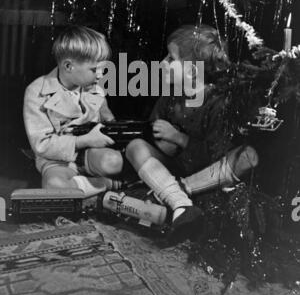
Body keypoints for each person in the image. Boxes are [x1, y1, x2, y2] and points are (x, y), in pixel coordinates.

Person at [126, 24, 243, 242]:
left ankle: (178, 201)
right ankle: (180, 203)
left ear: (191, 70)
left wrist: (179, 138)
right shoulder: (171, 95)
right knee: (135, 147)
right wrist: (161, 140)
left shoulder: (218, 103)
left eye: (171, 58)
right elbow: (153, 127)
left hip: (203, 177)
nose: (163, 63)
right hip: (174, 168)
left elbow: (218, 158)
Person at [23, 25, 123, 197]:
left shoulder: (95, 89)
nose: (100, 75)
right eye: (94, 70)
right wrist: (83, 140)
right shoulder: (36, 91)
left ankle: (77, 190)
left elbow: (108, 122)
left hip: (89, 154)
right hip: (56, 160)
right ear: (68, 66)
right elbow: (42, 145)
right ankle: (105, 185)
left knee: (114, 162)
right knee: (55, 185)